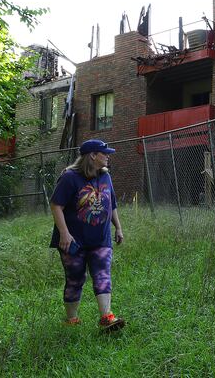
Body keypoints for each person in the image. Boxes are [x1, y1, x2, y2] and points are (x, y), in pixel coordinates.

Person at [49, 139, 125, 331]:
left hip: (101, 239)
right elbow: (56, 204)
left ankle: (107, 318)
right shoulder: (70, 177)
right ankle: (72, 320)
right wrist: (64, 234)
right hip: (73, 241)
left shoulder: (105, 176)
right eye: (104, 153)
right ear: (92, 155)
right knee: (75, 279)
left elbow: (111, 204)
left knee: (102, 275)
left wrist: (118, 227)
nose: (108, 156)